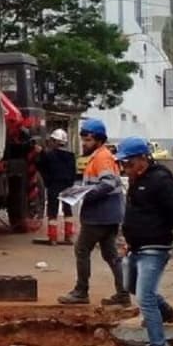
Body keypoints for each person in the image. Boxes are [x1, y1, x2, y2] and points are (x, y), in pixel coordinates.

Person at [117, 136, 173, 346]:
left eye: (128, 163)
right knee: (130, 286)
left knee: (145, 296)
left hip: (155, 247)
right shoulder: (136, 179)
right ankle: (165, 311)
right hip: (137, 246)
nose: (125, 168)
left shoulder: (160, 181)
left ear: (142, 159)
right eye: (123, 165)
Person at [58, 119, 129, 307]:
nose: (84, 144)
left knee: (81, 249)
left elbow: (108, 183)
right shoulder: (101, 156)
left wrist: (84, 193)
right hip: (109, 215)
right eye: (83, 140)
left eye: (88, 140)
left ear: (98, 140)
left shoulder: (102, 158)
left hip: (99, 216)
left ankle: (81, 291)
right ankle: (123, 293)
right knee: (110, 255)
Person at [34, 128, 76, 245]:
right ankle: (68, 237)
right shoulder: (71, 156)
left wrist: (40, 152)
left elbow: (40, 165)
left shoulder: (49, 155)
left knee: (52, 212)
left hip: (54, 186)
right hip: (67, 186)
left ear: (54, 141)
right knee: (68, 211)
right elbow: (73, 173)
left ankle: (53, 238)